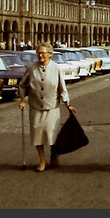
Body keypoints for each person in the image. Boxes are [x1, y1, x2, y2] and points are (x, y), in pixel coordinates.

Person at [17, 42, 76, 172]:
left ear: (50, 54)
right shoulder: (31, 68)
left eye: (43, 52)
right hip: (35, 107)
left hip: (52, 107)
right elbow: (22, 85)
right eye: (38, 52)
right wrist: (22, 100)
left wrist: (68, 104)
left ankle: (54, 153)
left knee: (51, 135)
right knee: (37, 135)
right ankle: (42, 160)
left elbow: (62, 89)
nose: (40, 55)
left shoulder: (56, 68)